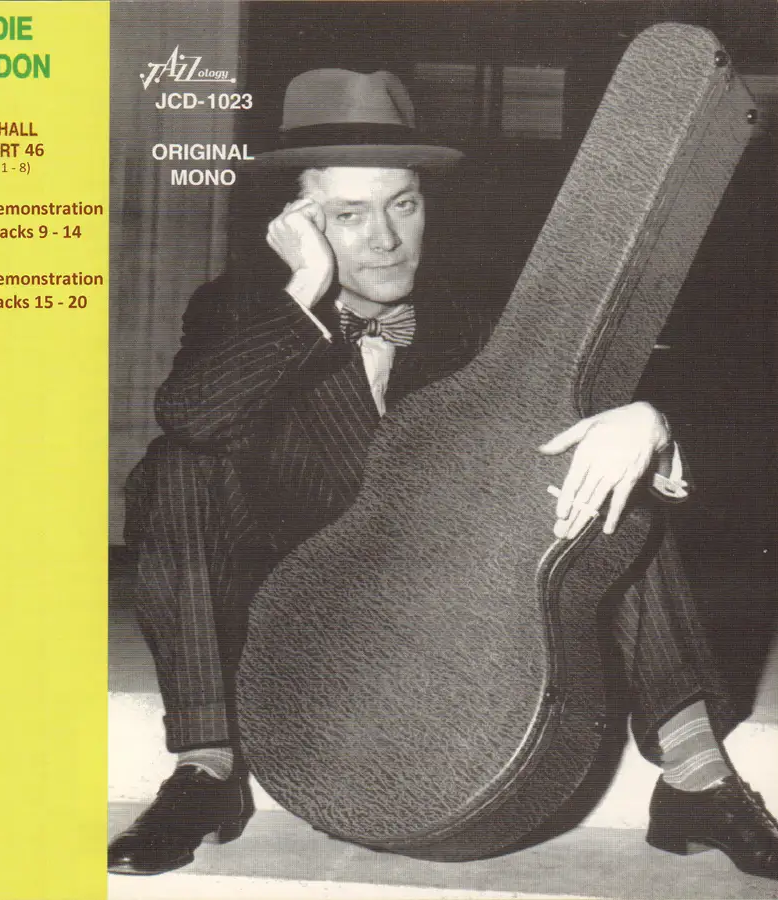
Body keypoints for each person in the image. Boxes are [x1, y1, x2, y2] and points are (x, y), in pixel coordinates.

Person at [108, 69, 778, 879]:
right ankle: (206, 771)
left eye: (403, 204)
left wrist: (650, 423)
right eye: (349, 215)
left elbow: (655, 388)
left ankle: (696, 779)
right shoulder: (244, 309)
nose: (386, 239)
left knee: (608, 462)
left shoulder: (481, 317)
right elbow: (192, 415)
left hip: (454, 596)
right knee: (178, 464)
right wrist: (307, 291)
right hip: (301, 609)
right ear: (296, 224)